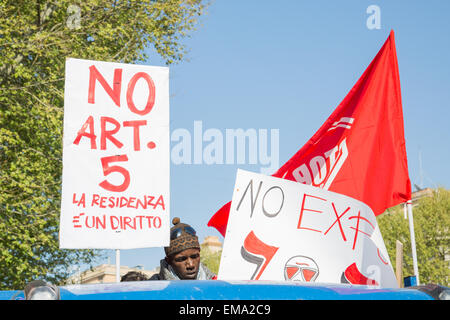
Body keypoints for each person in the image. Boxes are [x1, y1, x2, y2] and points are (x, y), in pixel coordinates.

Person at [149, 217, 216, 280]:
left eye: (194, 257)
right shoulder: (151, 288)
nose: (190, 265)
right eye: (182, 259)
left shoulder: (216, 284)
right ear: (168, 261)